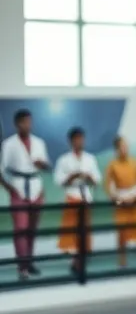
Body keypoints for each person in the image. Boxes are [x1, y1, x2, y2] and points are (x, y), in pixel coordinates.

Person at [1, 109, 49, 280]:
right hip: (18, 188)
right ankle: (22, 267)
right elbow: (1, 169)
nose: (27, 125)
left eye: (29, 121)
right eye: (24, 122)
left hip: (36, 187)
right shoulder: (9, 144)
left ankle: (29, 262)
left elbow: (47, 167)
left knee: (32, 230)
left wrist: (42, 164)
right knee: (20, 229)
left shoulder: (39, 143)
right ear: (17, 124)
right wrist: (9, 188)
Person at [53, 126, 100, 272]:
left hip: (86, 197)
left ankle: (83, 257)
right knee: (72, 231)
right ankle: (75, 261)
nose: (79, 142)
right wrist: (71, 177)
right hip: (72, 197)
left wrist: (89, 177)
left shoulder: (90, 158)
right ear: (70, 141)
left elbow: (98, 179)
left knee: (85, 230)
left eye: (81, 139)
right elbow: (58, 180)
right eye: (76, 139)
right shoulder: (64, 159)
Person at [104, 135, 136, 267]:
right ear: (117, 149)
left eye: (126, 146)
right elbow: (108, 185)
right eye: (122, 147)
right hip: (121, 199)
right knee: (122, 230)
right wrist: (115, 197)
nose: (125, 149)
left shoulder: (135, 162)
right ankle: (122, 257)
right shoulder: (112, 165)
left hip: (134, 197)